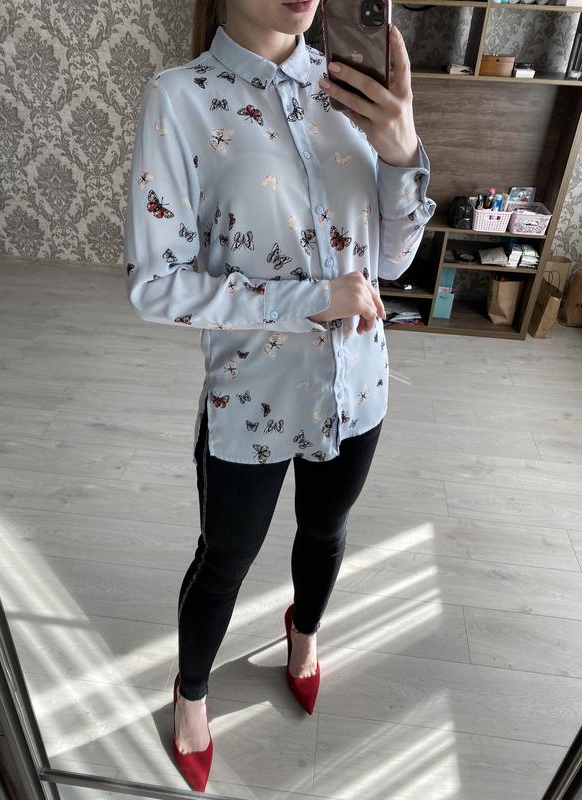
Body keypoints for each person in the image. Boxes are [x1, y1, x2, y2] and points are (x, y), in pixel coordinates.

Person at [123, 0, 436, 791]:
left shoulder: (353, 90)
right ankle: (192, 690)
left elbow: (392, 263)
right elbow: (155, 284)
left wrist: (403, 151)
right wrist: (310, 300)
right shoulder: (180, 98)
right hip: (250, 397)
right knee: (226, 556)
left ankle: (304, 632)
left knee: (326, 530)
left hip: (358, 385)